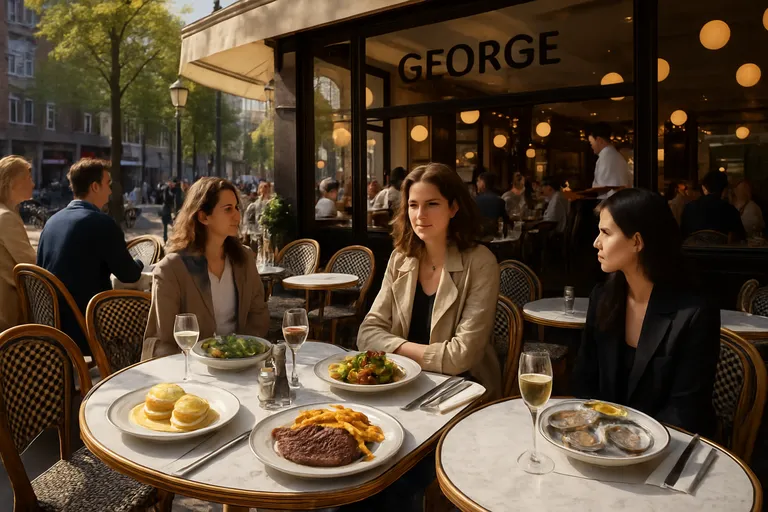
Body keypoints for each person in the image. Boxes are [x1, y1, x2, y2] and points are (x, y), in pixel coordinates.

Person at [572, 188, 719, 436]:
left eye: (605, 232)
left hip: (669, 448)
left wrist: (629, 442)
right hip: (603, 443)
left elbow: (685, 410)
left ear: (637, 242)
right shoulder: (603, 297)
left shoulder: (693, 313)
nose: (596, 242)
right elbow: (584, 380)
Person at [358, 162, 501, 397]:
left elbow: (461, 356)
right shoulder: (400, 258)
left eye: (432, 204)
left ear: (453, 207)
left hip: (463, 389)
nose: (420, 215)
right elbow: (367, 333)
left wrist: (392, 349)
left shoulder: (481, 262)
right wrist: (408, 357)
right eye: (413, 205)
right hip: (402, 383)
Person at [143, 177, 269, 359]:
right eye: (228, 209)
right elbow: (167, 338)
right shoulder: (171, 269)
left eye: (236, 208)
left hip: (241, 363)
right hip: (192, 367)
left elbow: (259, 314)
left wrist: (240, 352)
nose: (237, 216)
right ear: (203, 216)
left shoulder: (245, 258)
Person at [37, 159, 144, 354]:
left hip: (51, 325)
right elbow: (130, 275)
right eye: (107, 184)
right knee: (143, 312)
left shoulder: (52, 222)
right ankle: (129, 371)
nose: (110, 191)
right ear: (95, 187)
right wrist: (140, 262)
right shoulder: (101, 223)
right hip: (87, 325)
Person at [0, 156, 37, 332]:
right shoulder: (5, 217)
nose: (33, 184)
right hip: (9, 310)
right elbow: (31, 263)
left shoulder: (7, 213)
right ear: (12, 182)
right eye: (28, 178)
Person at [680, 170, 746, 241]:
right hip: (720, 251)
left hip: (693, 251)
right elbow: (741, 238)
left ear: (704, 188)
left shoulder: (689, 208)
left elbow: (682, 236)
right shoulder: (730, 211)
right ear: (725, 189)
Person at [588, 122, 630, 198]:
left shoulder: (606, 158)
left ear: (599, 140)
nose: (591, 147)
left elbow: (604, 187)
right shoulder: (615, 155)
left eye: (591, 143)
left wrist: (579, 194)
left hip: (610, 203)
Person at [474, 171, 508, 236]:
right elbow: (505, 222)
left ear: (483, 183)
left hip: (477, 237)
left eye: (478, 181)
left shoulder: (474, 200)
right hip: (494, 237)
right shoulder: (500, 200)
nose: (477, 184)